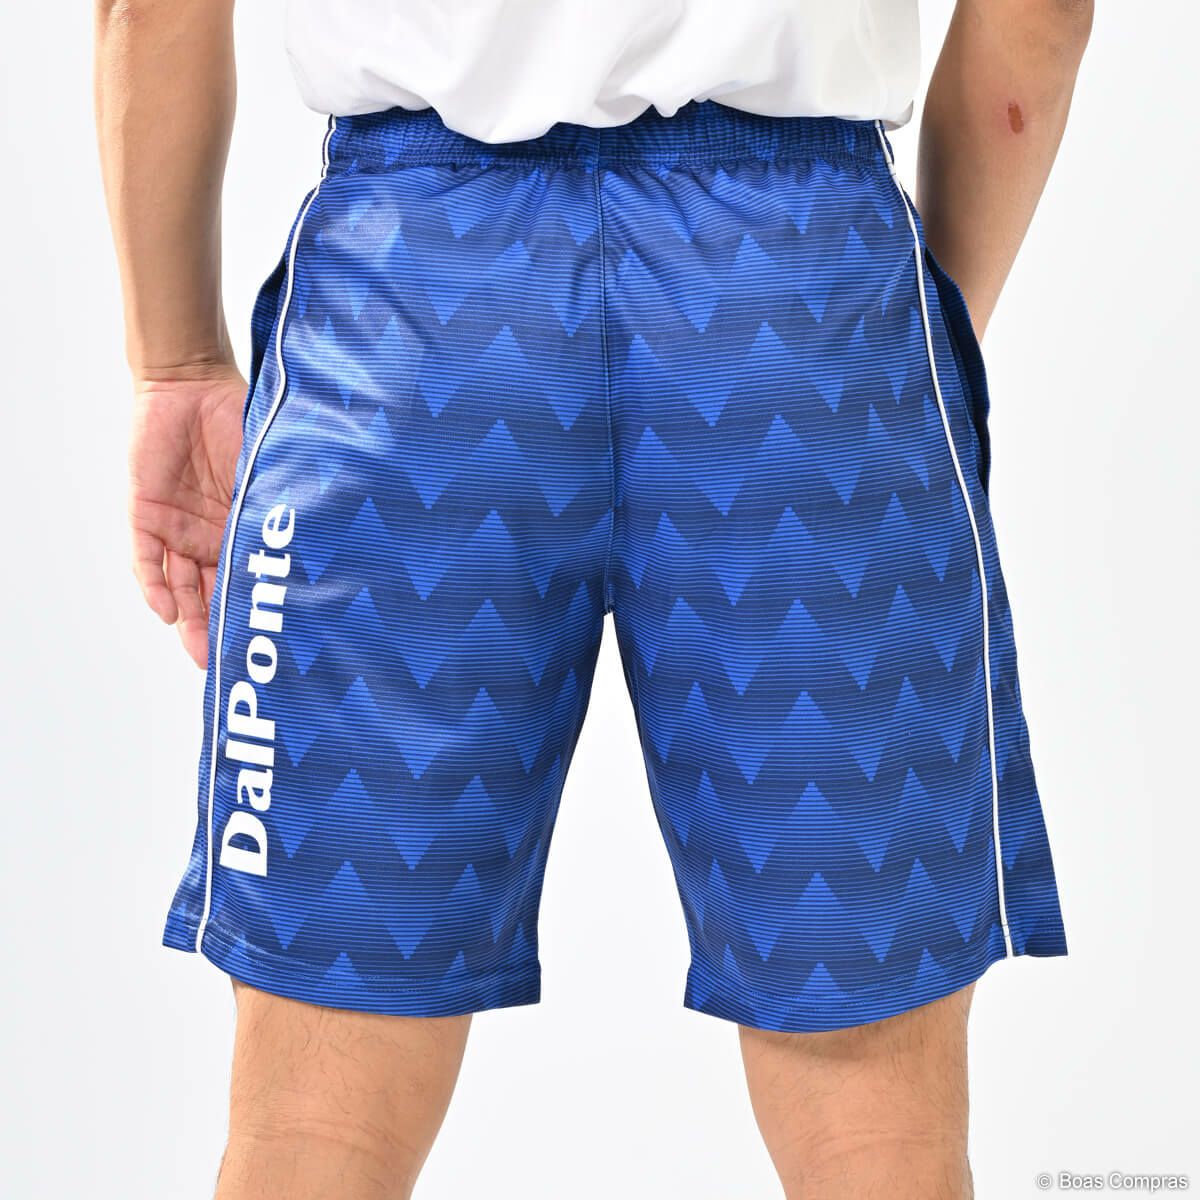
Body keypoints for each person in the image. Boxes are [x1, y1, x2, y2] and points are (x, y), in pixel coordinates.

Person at [95, 1, 1089, 1196]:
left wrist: (174, 364)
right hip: (797, 304)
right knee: (877, 1140)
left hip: (418, 309)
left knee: (316, 1130)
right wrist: (903, 333)